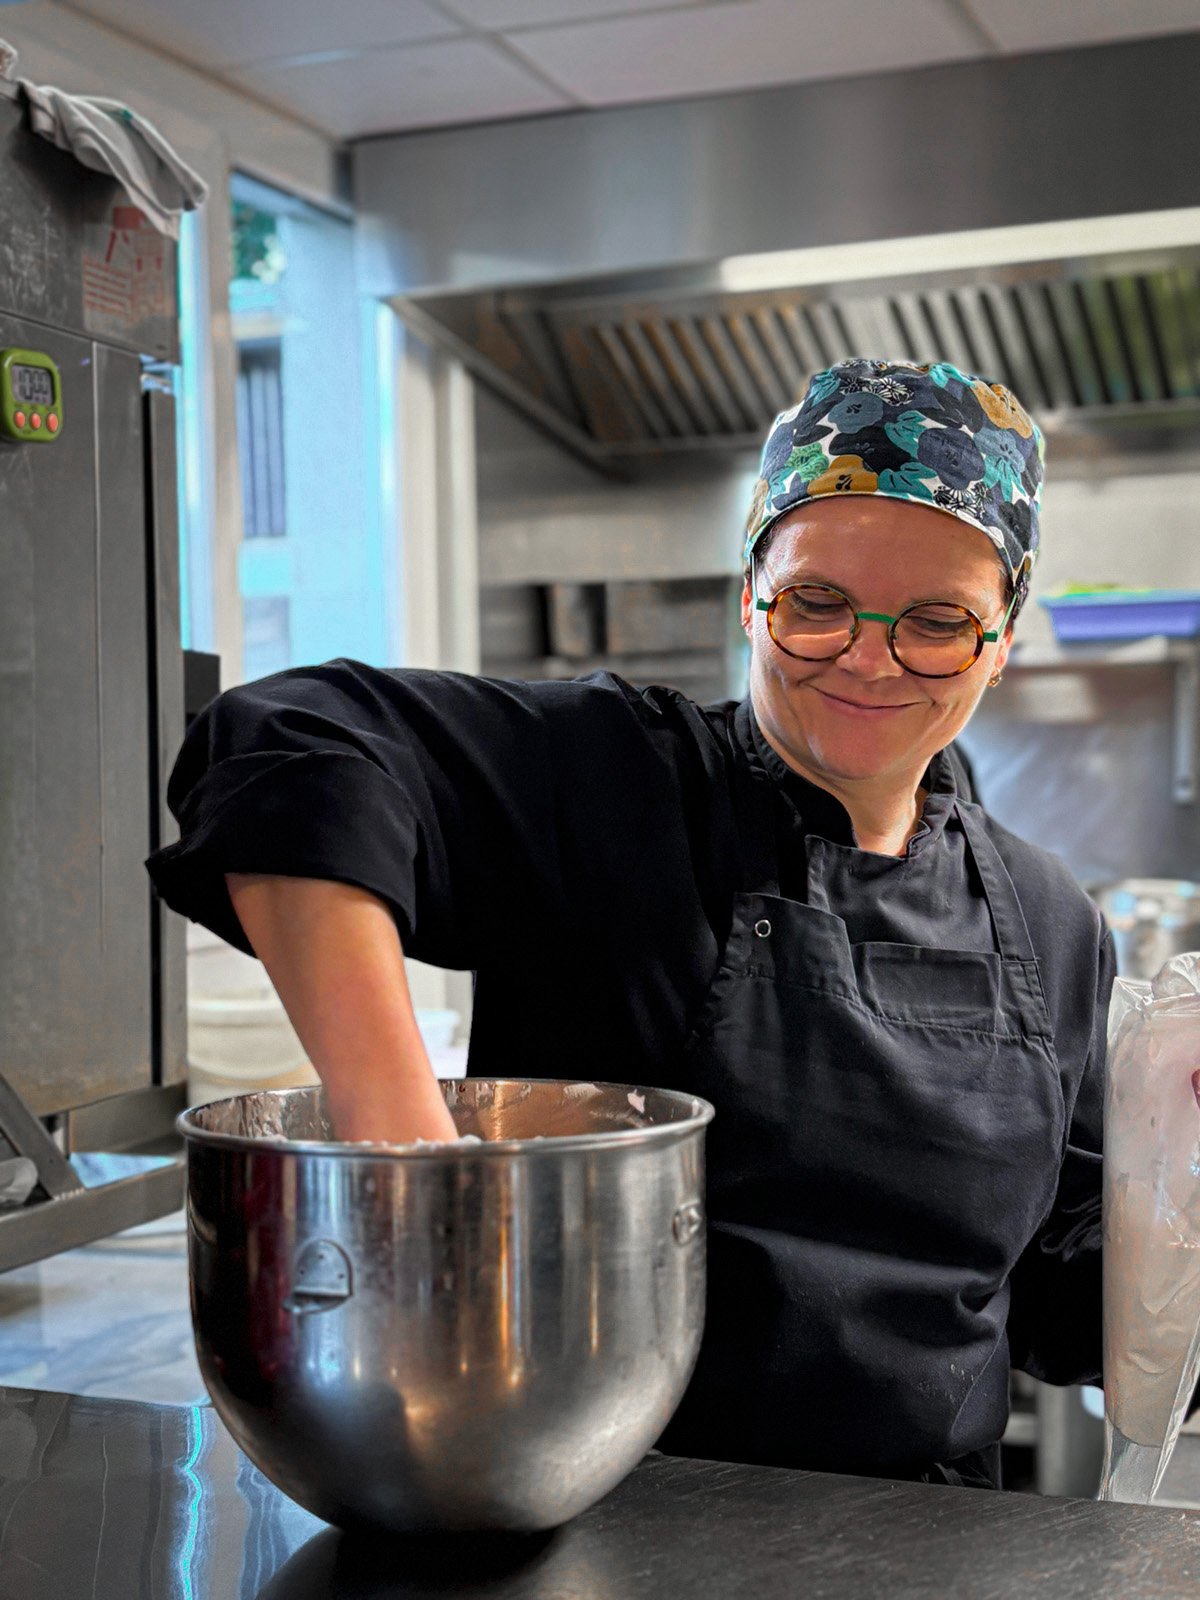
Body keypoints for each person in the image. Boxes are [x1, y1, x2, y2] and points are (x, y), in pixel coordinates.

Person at [147, 358, 1113, 1491]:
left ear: (1001, 641)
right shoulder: (613, 784)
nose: (868, 656)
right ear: (750, 594)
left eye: (938, 623)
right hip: (596, 1515)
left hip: (938, 1545)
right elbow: (285, 739)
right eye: (816, 604)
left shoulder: (1052, 921)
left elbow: (1061, 1282)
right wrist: (408, 1157)